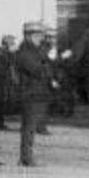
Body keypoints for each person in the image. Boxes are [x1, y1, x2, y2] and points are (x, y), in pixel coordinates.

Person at [14, 21, 56, 167]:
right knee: (28, 127)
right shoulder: (25, 53)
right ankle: (26, 157)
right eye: (37, 35)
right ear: (28, 36)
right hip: (29, 93)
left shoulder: (35, 52)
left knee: (31, 127)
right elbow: (38, 70)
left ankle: (27, 156)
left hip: (36, 93)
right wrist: (45, 63)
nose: (40, 38)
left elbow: (48, 68)